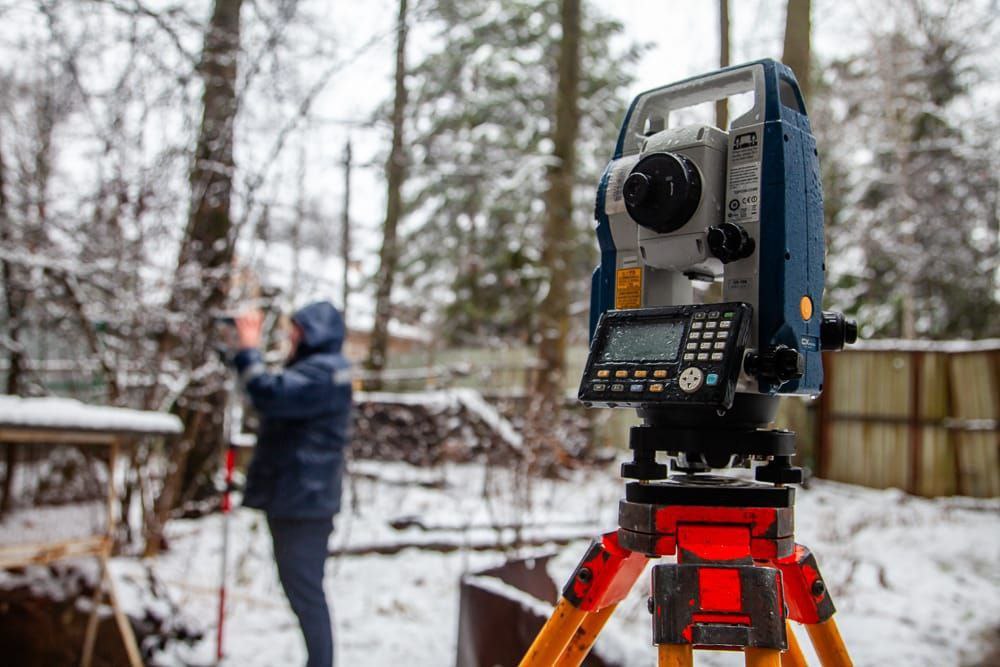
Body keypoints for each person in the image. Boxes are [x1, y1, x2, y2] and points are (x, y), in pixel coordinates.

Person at [232, 301, 352, 667]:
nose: (290, 336)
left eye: (296, 330)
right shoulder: (317, 370)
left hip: (304, 503)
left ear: (316, 332)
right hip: (299, 499)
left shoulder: (324, 372)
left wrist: (248, 350)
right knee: (302, 590)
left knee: (306, 594)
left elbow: (269, 394)